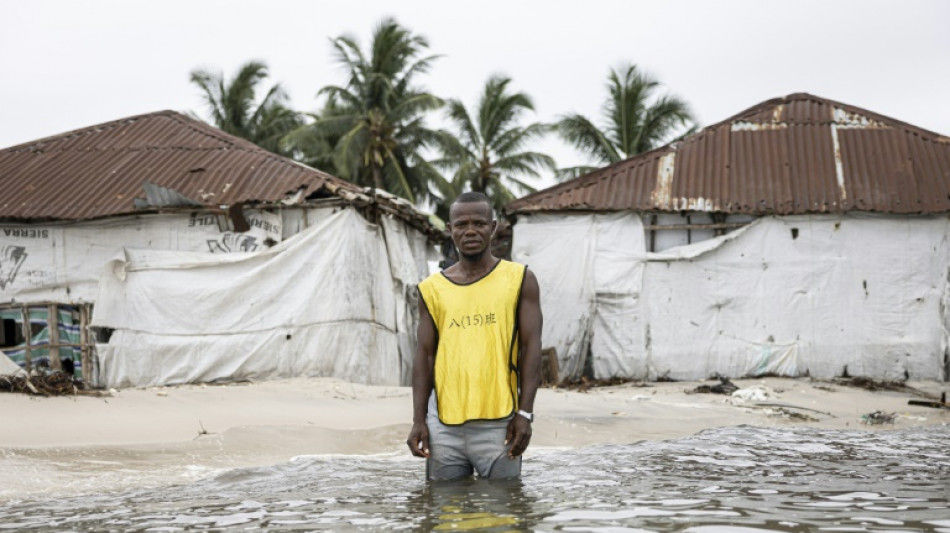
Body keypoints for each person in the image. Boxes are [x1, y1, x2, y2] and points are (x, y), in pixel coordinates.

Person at [406, 191, 542, 480]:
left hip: (501, 425)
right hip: (444, 426)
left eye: (479, 224)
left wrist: (525, 414)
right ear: (450, 230)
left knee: (504, 512)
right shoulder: (431, 289)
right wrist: (419, 420)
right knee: (444, 515)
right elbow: (425, 356)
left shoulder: (520, 279)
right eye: (461, 224)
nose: (470, 230)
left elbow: (531, 348)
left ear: (493, 228)